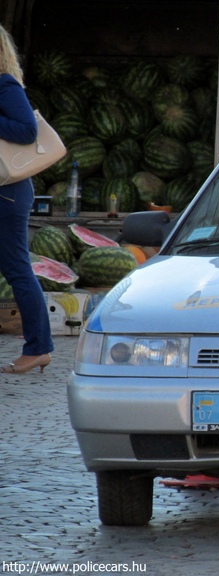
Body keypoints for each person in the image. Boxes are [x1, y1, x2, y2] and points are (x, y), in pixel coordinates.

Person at [0, 25, 53, 374]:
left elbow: (27, 130)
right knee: (16, 268)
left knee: (17, 269)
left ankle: (38, 347)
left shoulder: (4, 84)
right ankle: (38, 346)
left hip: (8, 193)